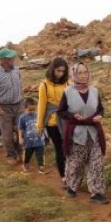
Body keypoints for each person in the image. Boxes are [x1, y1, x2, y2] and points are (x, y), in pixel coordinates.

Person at [57, 62, 109, 204]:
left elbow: (100, 109)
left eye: (85, 72)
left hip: (94, 132)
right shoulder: (68, 92)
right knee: (76, 163)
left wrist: (99, 115)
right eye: (79, 73)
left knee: (96, 162)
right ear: (74, 75)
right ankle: (72, 187)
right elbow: (61, 112)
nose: (83, 75)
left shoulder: (94, 91)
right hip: (76, 133)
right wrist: (73, 116)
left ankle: (97, 192)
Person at [0, 48, 24, 165]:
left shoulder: (17, 70)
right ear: (3, 60)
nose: (13, 59)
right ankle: (10, 155)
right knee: (7, 135)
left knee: (20, 131)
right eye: (10, 58)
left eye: (13, 57)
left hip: (18, 105)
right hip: (4, 108)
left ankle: (19, 152)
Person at [37, 57, 70, 186]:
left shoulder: (67, 84)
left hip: (66, 121)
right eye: (58, 70)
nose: (60, 73)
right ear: (53, 69)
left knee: (68, 147)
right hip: (52, 123)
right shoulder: (44, 85)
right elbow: (41, 105)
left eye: (63, 71)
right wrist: (39, 125)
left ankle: (70, 173)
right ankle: (63, 177)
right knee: (60, 149)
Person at [19, 97, 48, 174]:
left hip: (39, 140)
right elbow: (21, 129)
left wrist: (44, 134)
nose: (32, 112)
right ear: (25, 108)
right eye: (30, 110)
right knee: (27, 154)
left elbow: (43, 125)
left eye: (33, 110)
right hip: (28, 141)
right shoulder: (22, 118)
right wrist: (20, 138)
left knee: (40, 154)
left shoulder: (39, 116)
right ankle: (25, 165)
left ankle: (41, 167)